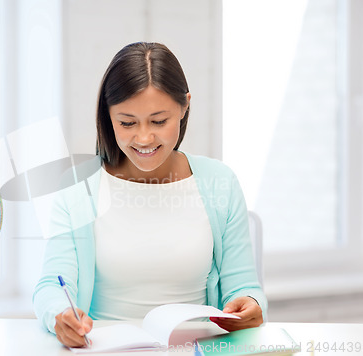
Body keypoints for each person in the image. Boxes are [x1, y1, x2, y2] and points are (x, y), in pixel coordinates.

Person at [33, 42, 267, 348]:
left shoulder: (219, 182)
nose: (144, 138)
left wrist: (250, 303)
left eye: (159, 121)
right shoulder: (78, 187)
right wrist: (59, 315)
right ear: (108, 115)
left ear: (185, 107)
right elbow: (52, 284)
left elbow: (244, 286)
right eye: (127, 123)